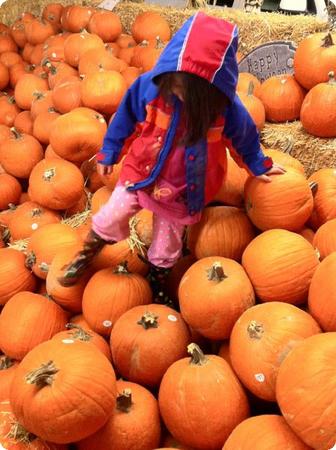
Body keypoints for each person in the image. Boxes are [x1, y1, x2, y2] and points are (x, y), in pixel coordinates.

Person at [58, 11, 285, 302]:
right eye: (174, 83)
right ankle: (88, 252)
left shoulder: (224, 108)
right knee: (112, 212)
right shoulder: (151, 87)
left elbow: (245, 138)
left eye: (186, 89)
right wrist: (111, 151)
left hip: (182, 189)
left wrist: (258, 164)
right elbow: (125, 118)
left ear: (209, 91)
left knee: (168, 241)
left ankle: (157, 279)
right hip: (142, 171)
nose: (177, 92)